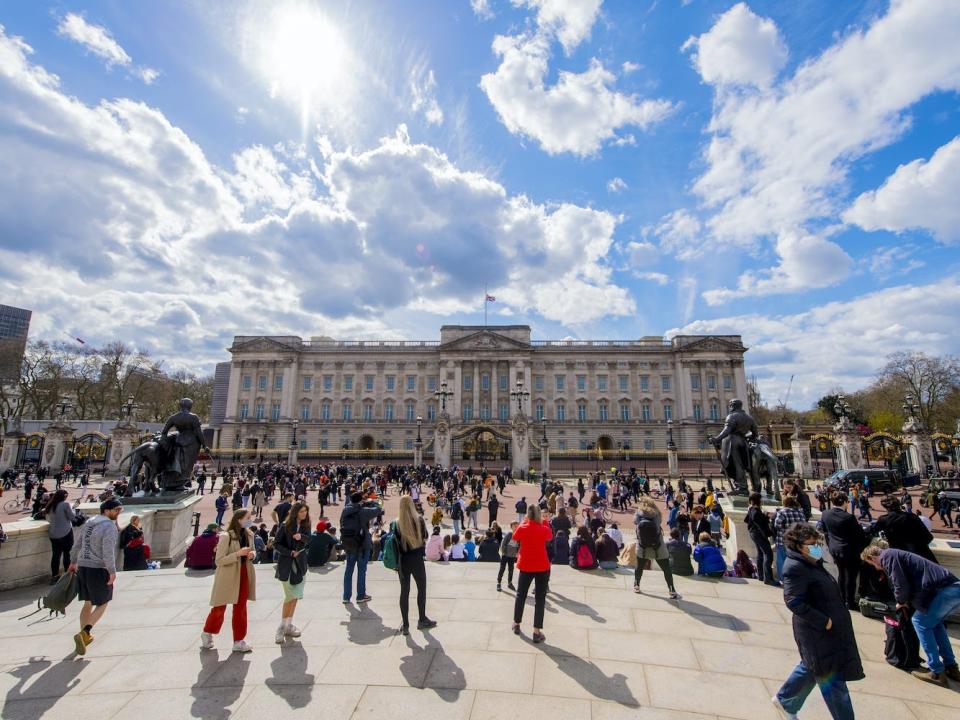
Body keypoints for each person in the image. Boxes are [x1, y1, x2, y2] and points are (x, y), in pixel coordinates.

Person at [773, 523, 863, 720]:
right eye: (812, 543)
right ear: (798, 545)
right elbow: (793, 601)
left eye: (818, 542)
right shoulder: (795, 567)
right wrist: (824, 621)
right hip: (817, 630)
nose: (817, 546)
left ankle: (786, 699)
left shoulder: (811, 561)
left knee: (813, 666)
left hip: (826, 630)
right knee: (833, 680)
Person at [861, 542, 960, 686]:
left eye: (872, 564)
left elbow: (900, 583)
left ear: (872, 557)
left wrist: (900, 601)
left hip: (944, 591)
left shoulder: (887, 556)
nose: (876, 568)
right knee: (936, 625)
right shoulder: (895, 554)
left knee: (920, 623)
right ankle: (951, 667)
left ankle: (937, 672)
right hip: (953, 589)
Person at [67, 498, 123, 656]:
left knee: (88, 603)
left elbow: (77, 544)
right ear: (106, 511)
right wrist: (112, 571)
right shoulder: (109, 527)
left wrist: (73, 561)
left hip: (83, 567)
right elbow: (108, 551)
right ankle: (85, 631)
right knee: (103, 602)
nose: (118, 513)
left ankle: (84, 636)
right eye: (116, 510)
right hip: (99, 568)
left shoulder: (90, 522)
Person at [201, 509, 257, 653]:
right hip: (228, 574)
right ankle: (208, 632)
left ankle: (239, 640)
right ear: (239, 519)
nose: (250, 520)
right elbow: (219, 560)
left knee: (241, 608)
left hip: (244, 572)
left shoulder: (249, 534)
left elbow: (253, 551)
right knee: (220, 607)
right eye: (248, 517)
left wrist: (252, 555)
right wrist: (237, 554)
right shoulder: (226, 536)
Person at [393, 495, 437, 635]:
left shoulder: (396, 523)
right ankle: (422, 619)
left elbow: (394, 544)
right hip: (417, 557)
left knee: (404, 592)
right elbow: (425, 536)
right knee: (421, 590)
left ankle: (405, 625)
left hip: (403, 560)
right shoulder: (419, 520)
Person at [818, 489, 869, 610]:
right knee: (850, 577)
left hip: (835, 549)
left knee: (841, 574)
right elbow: (860, 535)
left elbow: (825, 531)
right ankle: (849, 602)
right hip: (849, 551)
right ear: (845, 502)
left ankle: (842, 597)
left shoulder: (825, 514)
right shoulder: (848, 517)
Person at [511, 504, 553, 643]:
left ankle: (517, 623)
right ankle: (536, 631)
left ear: (528, 515)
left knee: (521, 595)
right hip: (542, 566)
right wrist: (544, 520)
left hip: (526, 565)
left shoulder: (523, 527)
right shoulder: (543, 528)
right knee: (540, 599)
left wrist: (525, 521)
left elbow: (515, 537)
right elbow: (549, 536)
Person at [274, 502, 309, 643]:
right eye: (301, 511)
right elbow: (276, 544)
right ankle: (282, 626)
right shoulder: (285, 526)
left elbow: (309, 540)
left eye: (305, 511)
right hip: (287, 565)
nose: (304, 514)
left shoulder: (306, 525)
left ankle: (288, 624)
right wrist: (289, 553)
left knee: (295, 597)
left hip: (300, 565)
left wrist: (303, 538)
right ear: (295, 513)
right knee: (290, 596)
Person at [633, 498, 681, 599]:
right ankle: (671, 589)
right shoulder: (657, 514)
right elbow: (659, 523)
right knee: (666, 568)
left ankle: (636, 585)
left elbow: (635, 523)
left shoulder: (638, 513)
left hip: (642, 547)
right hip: (658, 546)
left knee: (639, 567)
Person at [340, 491, 383, 603]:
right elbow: (379, 509)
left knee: (348, 571)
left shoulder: (345, 510)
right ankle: (360, 595)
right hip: (362, 544)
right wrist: (372, 502)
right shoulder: (363, 511)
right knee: (361, 571)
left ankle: (346, 596)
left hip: (349, 544)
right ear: (360, 500)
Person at [873, 495, 937, 563]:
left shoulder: (884, 519)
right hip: (922, 557)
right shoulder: (913, 516)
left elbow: (869, 532)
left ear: (884, 506)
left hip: (900, 559)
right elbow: (929, 537)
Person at [44, 489, 76, 583]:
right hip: (65, 532)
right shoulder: (65, 504)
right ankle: (68, 575)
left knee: (56, 555)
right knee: (67, 554)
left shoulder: (50, 505)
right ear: (64, 496)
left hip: (53, 534)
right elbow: (72, 517)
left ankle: (55, 576)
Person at [773, 496, 807, 580]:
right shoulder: (800, 513)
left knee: (782, 561)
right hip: (796, 542)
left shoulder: (782, 512)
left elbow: (776, 525)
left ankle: (783, 579)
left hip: (783, 540)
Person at [746, 493, 776, 585]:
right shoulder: (755, 510)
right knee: (768, 554)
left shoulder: (751, 509)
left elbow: (748, 520)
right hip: (759, 534)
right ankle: (768, 578)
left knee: (760, 554)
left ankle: (761, 575)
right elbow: (757, 519)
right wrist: (765, 517)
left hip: (754, 533)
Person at [497, 521, 519, 591]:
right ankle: (499, 582)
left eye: (517, 526)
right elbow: (503, 543)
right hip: (505, 555)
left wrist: (517, 553)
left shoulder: (519, 535)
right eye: (515, 526)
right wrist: (503, 552)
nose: (516, 527)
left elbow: (520, 545)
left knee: (511, 569)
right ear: (511, 527)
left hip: (512, 556)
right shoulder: (509, 534)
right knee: (502, 569)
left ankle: (510, 582)